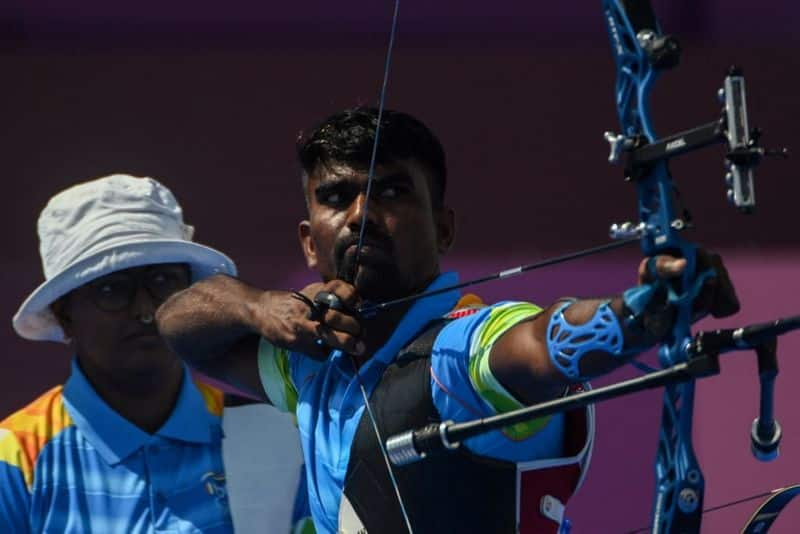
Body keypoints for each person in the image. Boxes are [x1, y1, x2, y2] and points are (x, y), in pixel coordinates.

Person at [156, 107, 739, 534]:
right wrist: (258, 306)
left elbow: (539, 345)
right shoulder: (312, 360)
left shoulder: (464, 347)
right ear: (309, 242)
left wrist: (640, 313)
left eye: (391, 192)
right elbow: (179, 328)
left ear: (443, 229)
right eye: (337, 197)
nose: (362, 215)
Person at [0, 174, 239, 532]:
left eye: (162, 281)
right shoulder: (14, 457)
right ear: (65, 316)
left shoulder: (259, 428)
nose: (146, 309)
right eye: (112, 288)